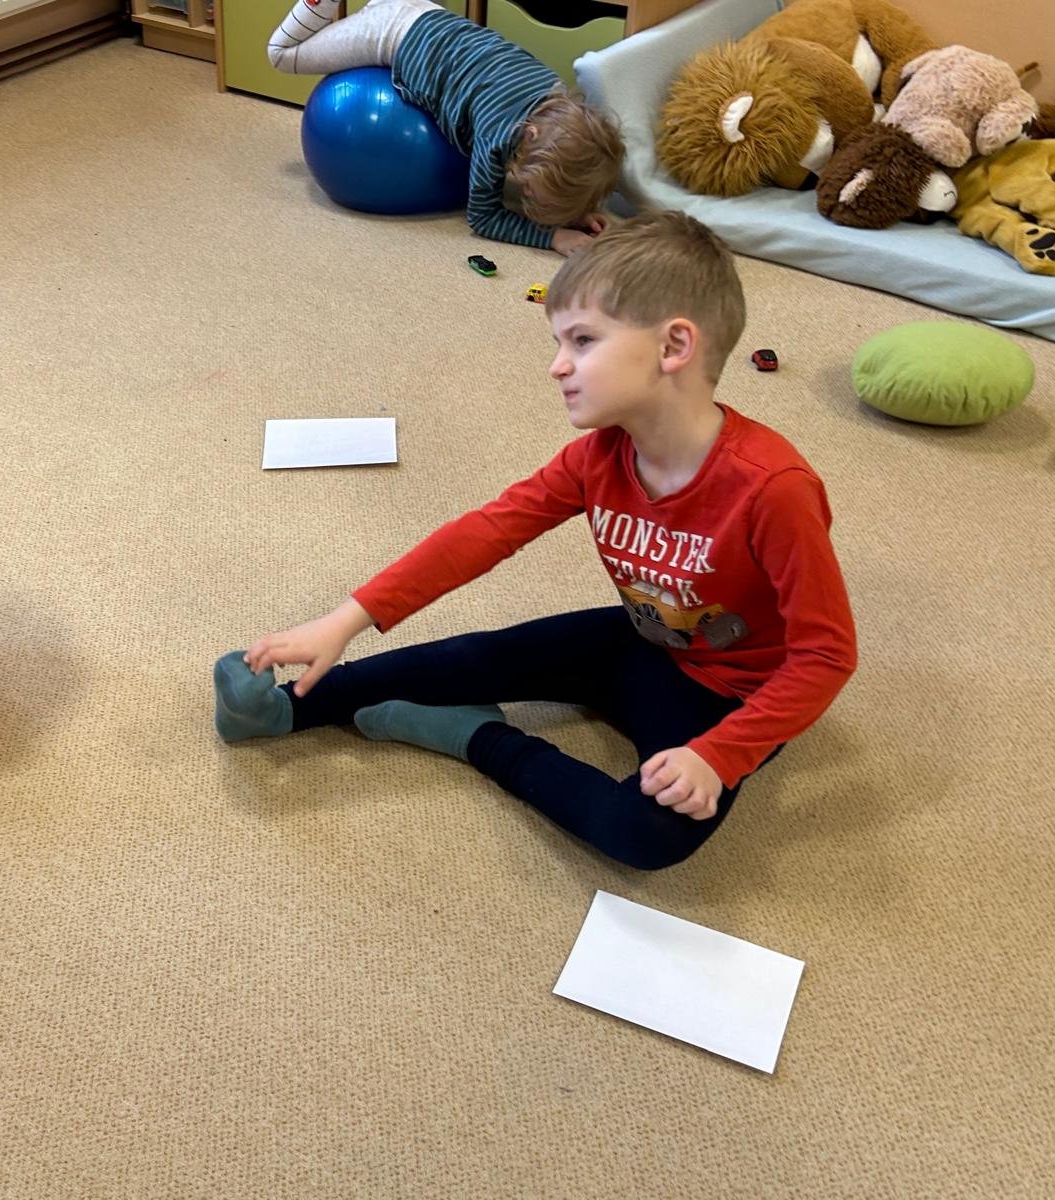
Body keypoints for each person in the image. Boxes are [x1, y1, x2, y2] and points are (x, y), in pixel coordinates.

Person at [213, 212, 857, 870]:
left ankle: (476, 737)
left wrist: (718, 756)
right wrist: (345, 620)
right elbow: (485, 533)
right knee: (477, 656)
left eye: (583, 340)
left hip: (731, 694)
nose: (557, 366)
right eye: (559, 342)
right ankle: (283, 710)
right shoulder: (597, 456)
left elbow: (825, 656)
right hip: (641, 642)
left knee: (645, 834)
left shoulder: (774, 489)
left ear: (673, 347)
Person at [270, 0, 624, 254]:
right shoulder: (496, 136)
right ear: (529, 136)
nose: (526, 196)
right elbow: (483, 218)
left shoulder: (553, 92)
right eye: (530, 190)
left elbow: (569, 160)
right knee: (282, 54)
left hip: (430, 16)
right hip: (390, 32)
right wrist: (553, 237)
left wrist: (574, 210)